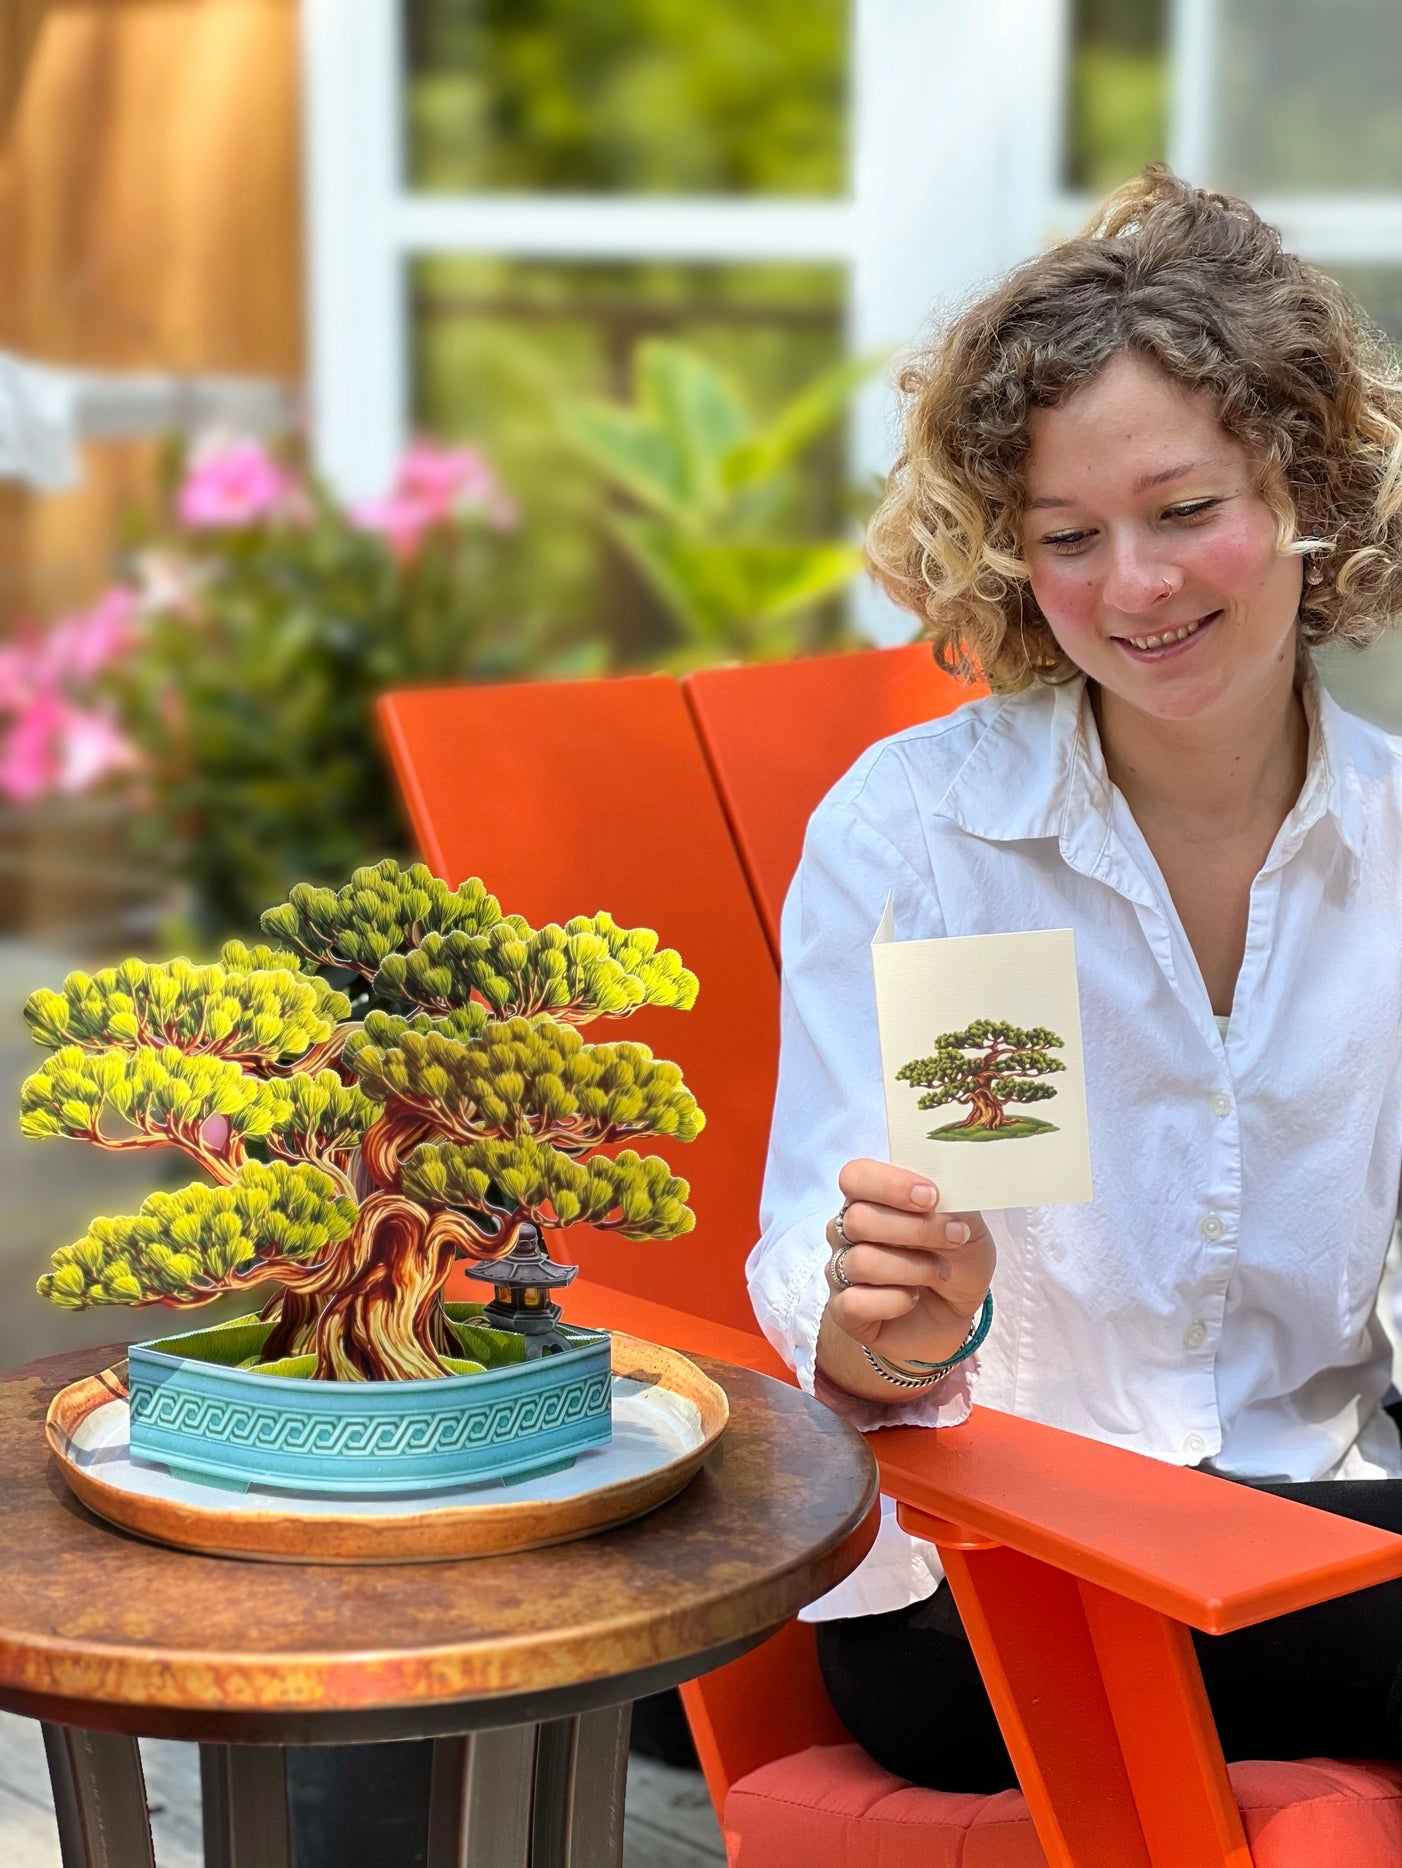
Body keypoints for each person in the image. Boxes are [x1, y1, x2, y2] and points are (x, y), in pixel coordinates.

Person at [746, 164, 1402, 1792]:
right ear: (1005, 556)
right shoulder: (923, 842)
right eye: (1064, 537)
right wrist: (904, 1330)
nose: (1136, 586)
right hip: (990, 1587)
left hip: (1321, 1532)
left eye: (1185, 511)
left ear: (1302, 487)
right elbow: (839, 1333)